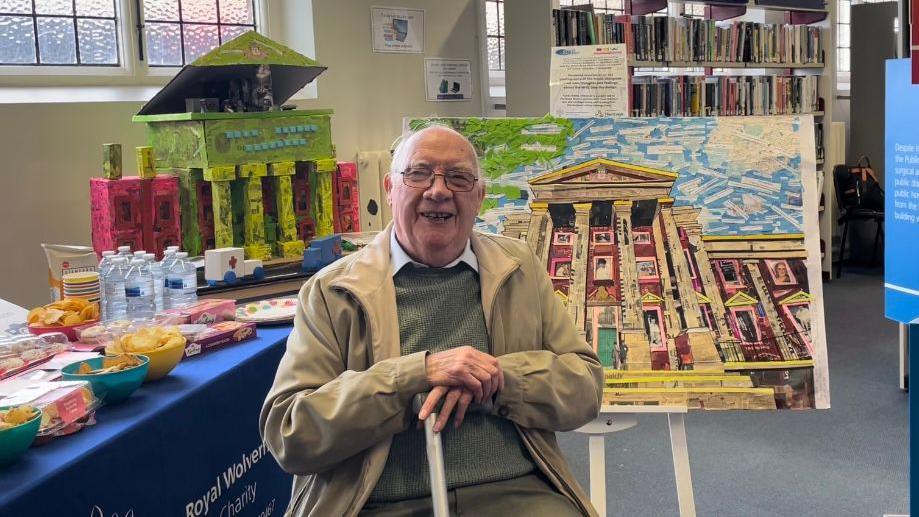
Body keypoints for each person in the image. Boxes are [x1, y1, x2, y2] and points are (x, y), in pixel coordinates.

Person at [260, 125, 603, 516]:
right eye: (419, 173)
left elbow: (585, 387)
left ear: (479, 197)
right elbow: (289, 433)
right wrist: (415, 376)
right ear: (390, 189)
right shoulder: (333, 290)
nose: (438, 190)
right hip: (376, 500)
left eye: (458, 177)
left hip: (515, 492)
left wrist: (496, 379)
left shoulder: (519, 268)